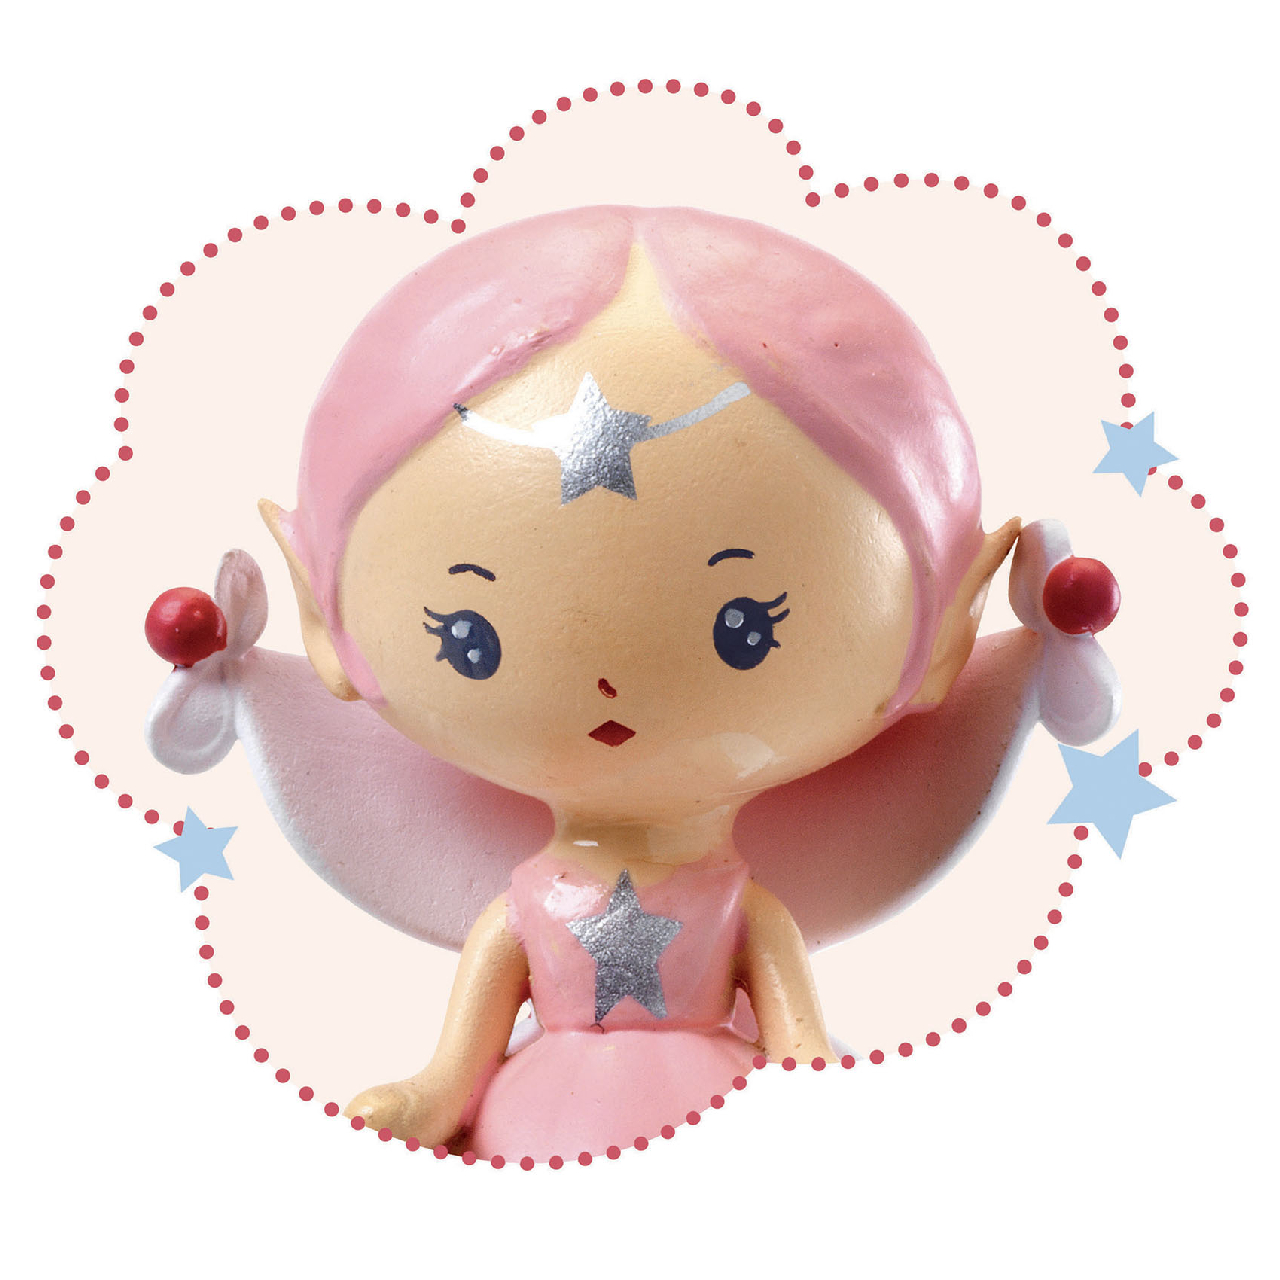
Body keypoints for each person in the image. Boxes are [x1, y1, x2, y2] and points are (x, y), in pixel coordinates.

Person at [147, 205, 1118, 1162]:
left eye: (748, 628)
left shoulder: (743, 910)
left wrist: (828, 1105)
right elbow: (455, 1065)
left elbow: (801, 1048)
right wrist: (430, 1097)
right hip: (537, 1129)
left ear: (944, 628)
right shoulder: (524, 910)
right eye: (469, 637)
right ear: (324, 616)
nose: (609, 686)